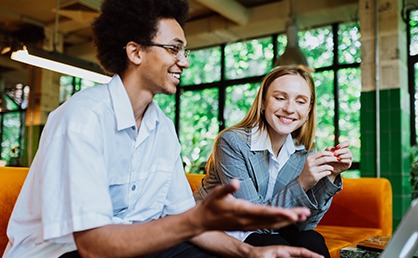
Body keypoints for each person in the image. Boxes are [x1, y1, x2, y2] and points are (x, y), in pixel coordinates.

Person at [2, 1, 325, 258]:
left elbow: (186, 219)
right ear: (135, 52)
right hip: (63, 253)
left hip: (140, 247)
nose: (183, 61)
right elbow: (94, 247)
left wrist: (250, 253)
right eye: (174, 49)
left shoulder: (162, 129)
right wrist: (193, 221)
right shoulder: (82, 118)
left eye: (184, 52)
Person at [194, 65, 353, 258]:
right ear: (262, 102)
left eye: (301, 101)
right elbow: (253, 221)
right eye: (280, 98)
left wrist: (331, 175)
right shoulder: (232, 142)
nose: (289, 109)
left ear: (309, 109)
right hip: (221, 230)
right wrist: (302, 182)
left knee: (312, 241)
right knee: (273, 245)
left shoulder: (304, 151)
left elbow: (304, 224)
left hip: (267, 229)